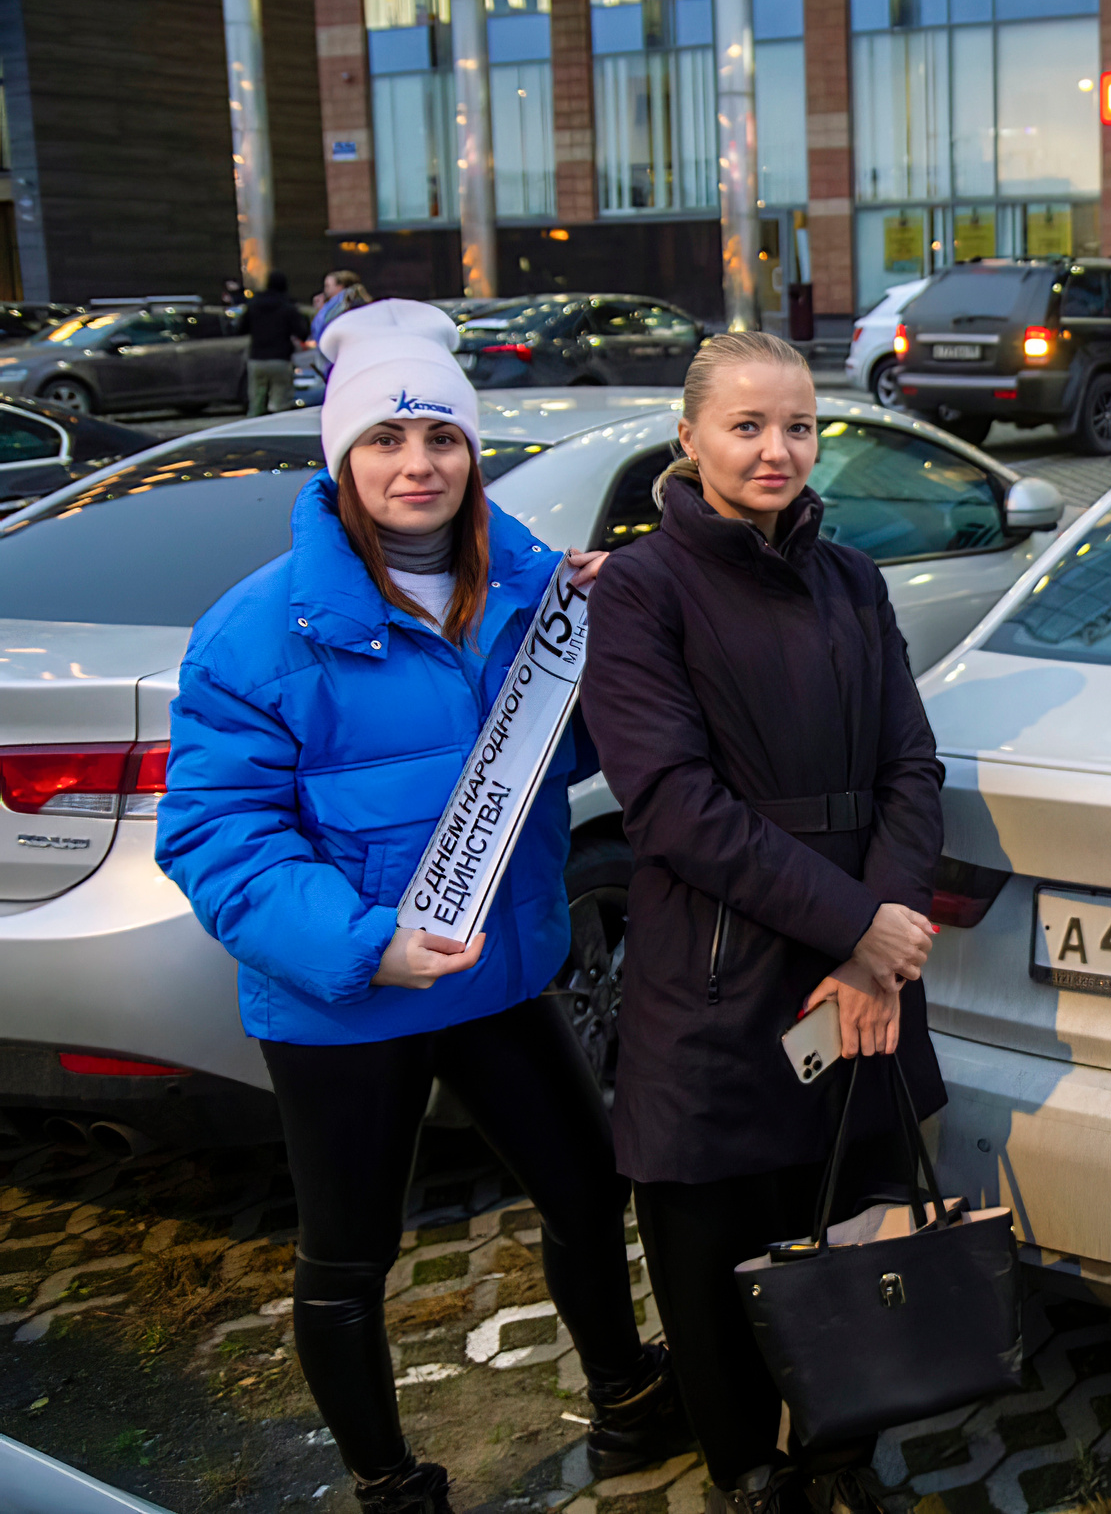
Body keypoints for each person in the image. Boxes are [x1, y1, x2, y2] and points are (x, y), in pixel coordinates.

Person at [157, 300, 692, 1514]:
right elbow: (215, 836)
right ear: (342, 459)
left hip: (497, 975)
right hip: (340, 1003)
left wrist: (615, 639)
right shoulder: (256, 631)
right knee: (349, 1261)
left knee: (587, 1187)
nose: (417, 466)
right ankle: (389, 1484)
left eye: (441, 439)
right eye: (387, 441)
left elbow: (572, 758)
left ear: (473, 453)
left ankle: (625, 1400)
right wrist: (363, 946)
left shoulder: (534, 590)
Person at [581, 332, 946, 1514]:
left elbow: (910, 766)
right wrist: (857, 928)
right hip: (720, 981)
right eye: (746, 426)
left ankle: (838, 1457)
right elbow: (672, 806)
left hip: (864, 968)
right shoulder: (641, 591)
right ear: (687, 441)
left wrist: (875, 946)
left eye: (797, 425)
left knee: (850, 1225)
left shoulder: (853, 579)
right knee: (712, 1253)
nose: (776, 449)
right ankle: (745, 1469)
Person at [241, 274, 307, 416]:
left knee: (256, 399)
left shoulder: (253, 304)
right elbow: (302, 331)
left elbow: (241, 328)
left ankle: (254, 427)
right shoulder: (287, 306)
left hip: (257, 358)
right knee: (281, 400)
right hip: (280, 358)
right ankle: (277, 424)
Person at [310, 269, 371, 377]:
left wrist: (320, 311)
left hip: (340, 359)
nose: (325, 290)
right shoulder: (354, 301)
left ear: (340, 286)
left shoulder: (338, 307)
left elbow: (322, 330)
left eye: (328, 286)